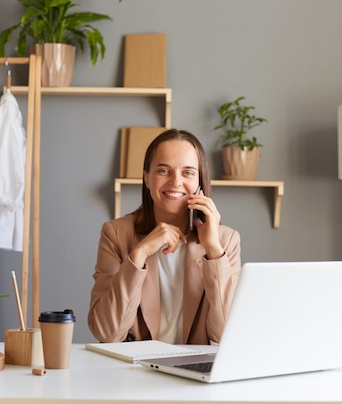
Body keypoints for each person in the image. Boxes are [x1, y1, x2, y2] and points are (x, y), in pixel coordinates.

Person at [88, 129, 241, 345]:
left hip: (195, 373)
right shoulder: (115, 234)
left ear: (200, 182)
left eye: (188, 172)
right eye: (163, 170)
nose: (176, 182)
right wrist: (139, 254)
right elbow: (107, 333)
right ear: (147, 179)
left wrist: (214, 250)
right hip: (136, 372)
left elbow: (226, 337)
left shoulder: (226, 241)